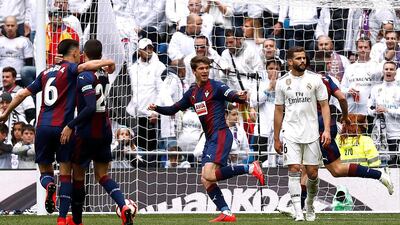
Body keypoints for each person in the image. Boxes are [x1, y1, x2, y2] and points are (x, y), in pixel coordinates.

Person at [0, 39, 115, 225]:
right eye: (78, 52)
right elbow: (90, 65)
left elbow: (21, 94)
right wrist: (109, 62)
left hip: (43, 127)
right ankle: (61, 219)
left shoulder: (45, 73)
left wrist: (5, 113)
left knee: (45, 172)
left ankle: (49, 185)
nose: (80, 55)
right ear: (75, 53)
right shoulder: (71, 70)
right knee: (65, 174)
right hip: (64, 129)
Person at [148, 55, 265, 222]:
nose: (204, 71)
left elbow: (232, 95)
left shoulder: (216, 86)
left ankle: (251, 168)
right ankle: (226, 212)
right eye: (201, 68)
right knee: (205, 178)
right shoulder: (192, 93)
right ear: (194, 71)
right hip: (210, 138)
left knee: (209, 175)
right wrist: (157, 108)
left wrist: (240, 96)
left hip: (221, 134)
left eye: (206, 68)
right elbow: (174, 109)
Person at [59, 39, 134, 225]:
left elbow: (90, 106)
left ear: (83, 54)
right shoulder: (104, 74)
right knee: (103, 176)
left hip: (86, 132)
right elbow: (106, 66)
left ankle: (76, 221)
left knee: (78, 178)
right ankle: (123, 206)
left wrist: (70, 125)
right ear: (100, 56)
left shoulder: (84, 76)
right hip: (105, 131)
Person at [274, 46, 331, 221]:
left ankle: (310, 204)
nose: (302, 61)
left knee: (313, 173)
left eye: (304, 58)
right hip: (290, 133)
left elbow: (324, 105)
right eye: (298, 58)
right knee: (293, 169)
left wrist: (327, 130)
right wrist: (276, 137)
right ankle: (298, 211)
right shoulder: (282, 82)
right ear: (290, 62)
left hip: (312, 133)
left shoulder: (315, 80)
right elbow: (278, 111)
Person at [368, 61, 400, 165]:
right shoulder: (375, 89)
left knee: (396, 166)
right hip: (381, 136)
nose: (388, 71)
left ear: (395, 72)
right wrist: (375, 111)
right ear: (383, 71)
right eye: (386, 69)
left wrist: (387, 110)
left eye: (391, 69)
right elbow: (368, 109)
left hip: (397, 134)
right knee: (385, 166)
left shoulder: (398, 89)